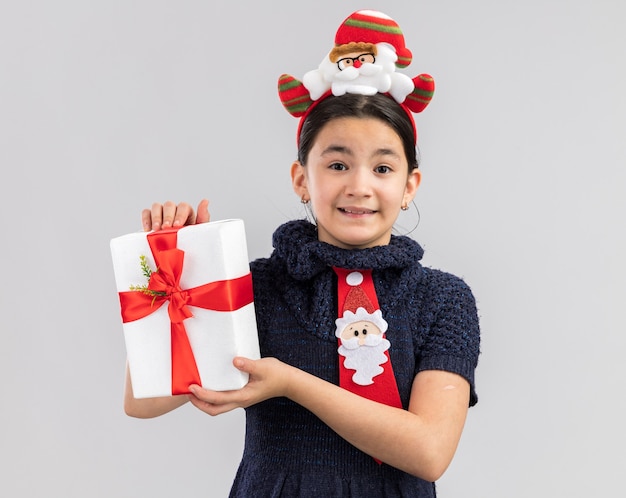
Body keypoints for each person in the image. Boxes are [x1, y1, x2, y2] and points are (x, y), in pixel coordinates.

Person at [123, 10, 480, 497]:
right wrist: (181, 268)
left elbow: (429, 451)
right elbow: (142, 400)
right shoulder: (258, 286)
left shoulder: (442, 299)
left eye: (382, 167)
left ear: (409, 185)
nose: (359, 186)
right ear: (301, 180)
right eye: (337, 163)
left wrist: (291, 383)